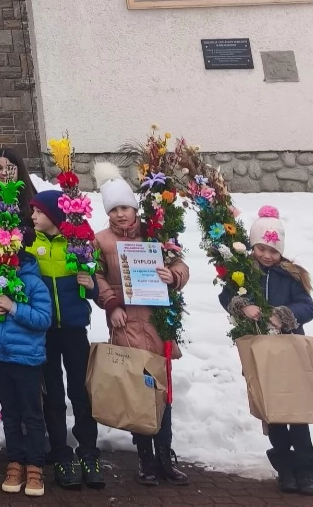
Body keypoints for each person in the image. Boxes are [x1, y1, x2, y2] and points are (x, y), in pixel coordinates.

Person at [93, 163, 190, 487]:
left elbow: (179, 262)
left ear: (135, 208)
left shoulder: (156, 233)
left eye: (126, 207)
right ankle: (146, 460)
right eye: (115, 209)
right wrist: (112, 304)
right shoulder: (102, 240)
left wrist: (172, 275)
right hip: (126, 324)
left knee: (162, 391)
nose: (121, 214)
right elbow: (97, 276)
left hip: (157, 321)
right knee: (138, 391)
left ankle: (165, 455)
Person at [220, 206, 313, 495]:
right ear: (253, 245)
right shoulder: (243, 272)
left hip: (289, 351)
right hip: (260, 350)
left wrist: (284, 314)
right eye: (262, 248)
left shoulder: (292, 275)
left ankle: (307, 469)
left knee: (295, 411)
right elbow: (226, 296)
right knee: (273, 412)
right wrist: (243, 305)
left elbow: (308, 306)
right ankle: (285, 469)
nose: (267, 255)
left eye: (273, 250)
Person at [26, 190, 104, 490]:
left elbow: (95, 290)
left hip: (74, 330)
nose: (33, 217)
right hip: (45, 333)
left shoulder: (79, 245)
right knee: (53, 397)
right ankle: (61, 454)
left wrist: (91, 285)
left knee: (81, 393)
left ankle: (88, 453)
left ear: (55, 216)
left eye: (38, 212)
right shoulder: (32, 247)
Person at [0, 242, 53, 497]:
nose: (2, 261)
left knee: (31, 414)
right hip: (0, 356)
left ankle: (34, 466)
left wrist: (14, 307)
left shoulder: (33, 283)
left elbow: (43, 319)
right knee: (9, 412)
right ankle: (15, 462)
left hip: (27, 359)